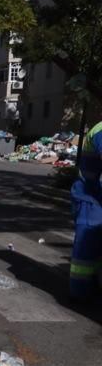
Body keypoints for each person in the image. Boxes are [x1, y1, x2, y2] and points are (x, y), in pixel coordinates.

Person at [69, 120, 102, 300]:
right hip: (90, 198)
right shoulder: (101, 131)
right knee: (86, 249)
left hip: (95, 197)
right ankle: (80, 293)